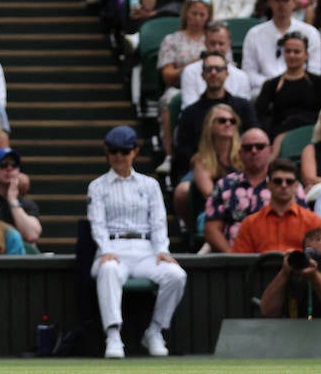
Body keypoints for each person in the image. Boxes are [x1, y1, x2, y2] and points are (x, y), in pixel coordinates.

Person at [87, 125, 185, 359]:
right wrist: (106, 250)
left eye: (124, 150)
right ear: (107, 152)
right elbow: (97, 223)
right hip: (113, 248)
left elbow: (158, 221)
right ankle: (113, 335)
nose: (119, 156)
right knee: (108, 269)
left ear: (135, 151)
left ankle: (154, 331)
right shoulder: (97, 186)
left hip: (145, 250)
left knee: (176, 275)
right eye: (113, 151)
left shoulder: (150, 185)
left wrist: (162, 249)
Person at [202, 126, 278, 253]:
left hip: (277, 258)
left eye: (260, 146)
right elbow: (211, 229)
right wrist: (234, 258)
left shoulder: (287, 184)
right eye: (248, 148)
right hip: (233, 260)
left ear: (270, 151)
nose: (254, 151)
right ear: (240, 153)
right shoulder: (224, 185)